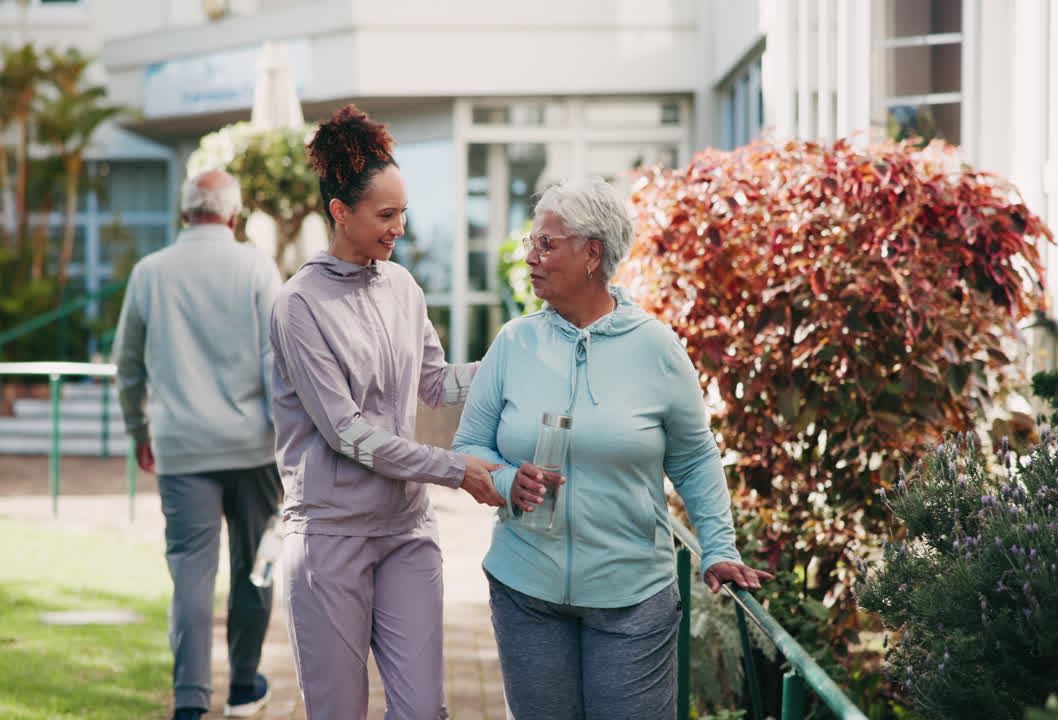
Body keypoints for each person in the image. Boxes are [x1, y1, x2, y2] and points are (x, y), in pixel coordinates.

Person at [452, 177, 771, 720]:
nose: (531, 256)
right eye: (533, 242)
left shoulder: (656, 348)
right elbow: (469, 448)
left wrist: (718, 547)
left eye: (545, 244)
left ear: (591, 253)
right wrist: (508, 481)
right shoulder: (513, 342)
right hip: (525, 590)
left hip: (632, 599)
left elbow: (694, 458)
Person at [269, 105, 506, 720]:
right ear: (340, 212)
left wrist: (514, 360)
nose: (399, 227)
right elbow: (348, 432)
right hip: (330, 537)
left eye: (402, 213)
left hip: (406, 532)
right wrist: (455, 468)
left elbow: (434, 384)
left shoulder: (403, 287)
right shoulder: (299, 306)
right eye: (385, 215)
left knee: (425, 711)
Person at [112, 169, 282, 720]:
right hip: (253, 447)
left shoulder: (150, 273)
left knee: (190, 570)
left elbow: (127, 366)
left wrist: (140, 431)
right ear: (233, 214)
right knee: (254, 565)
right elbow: (274, 362)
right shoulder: (257, 267)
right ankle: (242, 687)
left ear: (184, 212)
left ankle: (189, 702)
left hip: (181, 447)